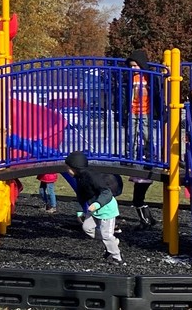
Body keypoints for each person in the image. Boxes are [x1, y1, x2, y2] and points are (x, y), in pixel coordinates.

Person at [123, 49, 163, 229]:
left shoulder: (148, 77)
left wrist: (158, 109)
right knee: (131, 134)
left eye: (136, 66)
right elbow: (124, 94)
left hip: (145, 111)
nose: (133, 69)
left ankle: (149, 154)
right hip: (133, 110)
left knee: (146, 134)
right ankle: (129, 154)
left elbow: (156, 93)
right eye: (131, 66)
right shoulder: (130, 79)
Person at [65, 151, 125, 265]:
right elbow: (81, 195)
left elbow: (106, 193)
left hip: (106, 209)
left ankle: (117, 257)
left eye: (68, 168)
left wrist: (97, 204)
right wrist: (79, 211)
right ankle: (112, 242)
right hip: (94, 209)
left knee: (106, 235)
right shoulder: (79, 178)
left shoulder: (92, 177)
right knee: (87, 228)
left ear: (75, 167)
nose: (67, 170)